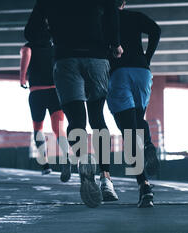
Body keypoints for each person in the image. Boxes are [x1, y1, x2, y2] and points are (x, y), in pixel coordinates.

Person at [24, 0, 122, 208]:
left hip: (65, 58)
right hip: (96, 57)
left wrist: (52, 34)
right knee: (97, 118)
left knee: (76, 119)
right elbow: (113, 10)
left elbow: (31, 31)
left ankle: (84, 158)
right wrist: (114, 43)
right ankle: (106, 180)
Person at [106, 0, 161, 208]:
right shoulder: (135, 16)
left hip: (118, 73)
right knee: (139, 119)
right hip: (142, 72)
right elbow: (156, 30)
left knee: (129, 132)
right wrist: (147, 57)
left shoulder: (104, 18)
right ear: (124, 2)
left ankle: (144, 185)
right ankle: (147, 144)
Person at [19, 34, 71, 182]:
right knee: (58, 128)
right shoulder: (55, 48)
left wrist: (22, 78)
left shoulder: (29, 47)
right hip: (55, 92)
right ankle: (66, 156)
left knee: (38, 128)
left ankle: (45, 165)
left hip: (37, 92)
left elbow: (26, 54)